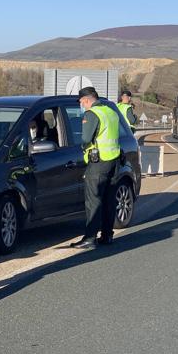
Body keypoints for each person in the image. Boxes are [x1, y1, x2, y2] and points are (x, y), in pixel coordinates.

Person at [71, 87, 121, 250]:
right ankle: (107, 235)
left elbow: (86, 138)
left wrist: (85, 148)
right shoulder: (110, 112)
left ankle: (90, 238)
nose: (81, 105)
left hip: (98, 162)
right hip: (114, 160)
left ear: (85, 100)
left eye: (81, 102)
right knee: (108, 199)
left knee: (93, 200)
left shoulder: (92, 114)